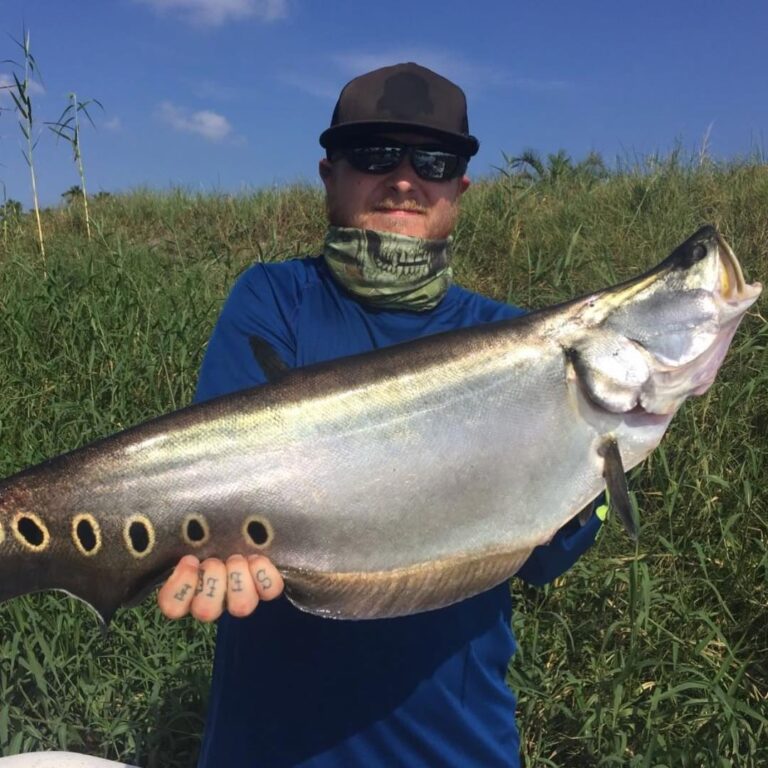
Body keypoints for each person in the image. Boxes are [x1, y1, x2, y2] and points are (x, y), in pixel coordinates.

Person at [157, 62, 602, 767]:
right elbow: (217, 481)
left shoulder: (517, 342)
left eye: (433, 159)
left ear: (460, 187)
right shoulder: (276, 299)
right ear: (329, 173)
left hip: (454, 749)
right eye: (373, 154)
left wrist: (603, 443)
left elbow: (547, 560)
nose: (403, 178)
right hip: (269, 750)